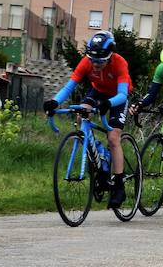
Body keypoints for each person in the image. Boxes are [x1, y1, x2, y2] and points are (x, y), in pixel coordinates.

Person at [43, 30, 132, 209]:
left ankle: (120, 184)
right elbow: (69, 87)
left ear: (110, 55)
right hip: (98, 92)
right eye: (92, 60)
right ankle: (98, 156)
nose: (95, 64)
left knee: (113, 138)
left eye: (100, 61)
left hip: (118, 97)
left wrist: (109, 103)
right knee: (81, 113)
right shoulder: (87, 62)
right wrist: (54, 102)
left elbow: (123, 94)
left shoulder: (119, 63)